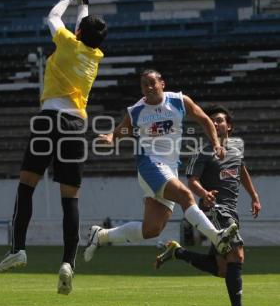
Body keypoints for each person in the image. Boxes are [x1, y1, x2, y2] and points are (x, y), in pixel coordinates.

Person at [0, 0, 108, 296]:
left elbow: (52, 18)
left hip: (48, 121)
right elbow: (82, 25)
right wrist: (86, 0)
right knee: (70, 196)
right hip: (76, 125)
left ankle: (18, 248)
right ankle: (68, 262)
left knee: (26, 185)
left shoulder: (67, 45)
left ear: (79, 35)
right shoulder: (93, 55)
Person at [83, 71, 238, 262]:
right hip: (149, 164)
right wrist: (111, 137)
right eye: (144, 85)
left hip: (169, 169)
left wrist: (216, 144)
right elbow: (123, 129)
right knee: (185, 195)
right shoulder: (137, 110)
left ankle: (100, 236)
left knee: (151, 229)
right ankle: (217, 237)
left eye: (152, 83)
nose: (148, 88)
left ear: (162, 84)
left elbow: (205, 120)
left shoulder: (179, 101)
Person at [156, 104, 261, 306]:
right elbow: (191, 179)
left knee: (223, 268)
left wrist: (254, 196)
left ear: (228, 126)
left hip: (231, 211)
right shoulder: (203, 151)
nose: (215, 123)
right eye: (211, 121)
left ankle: (177, 252)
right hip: (215, 210)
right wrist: (204, 193)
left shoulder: (235, 149)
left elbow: (242, 170)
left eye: (220, 120)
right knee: (236, 254)